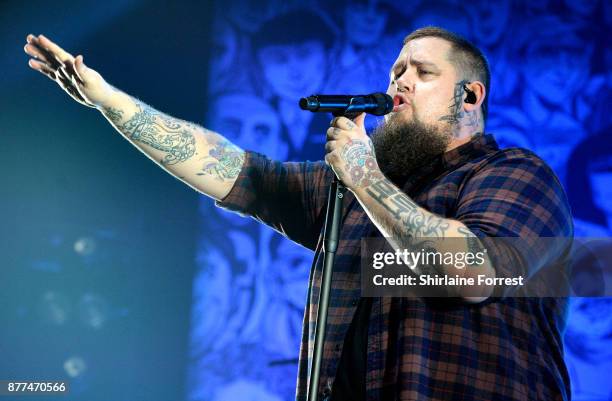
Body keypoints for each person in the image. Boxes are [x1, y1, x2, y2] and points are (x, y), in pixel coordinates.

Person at [24, 26, 573, 400]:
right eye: (396, 72)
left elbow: (474, 273)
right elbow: (232, 169)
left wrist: (363, 176)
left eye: (423, 73)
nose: (400, 82)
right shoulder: (347, 195)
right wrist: (108, 100)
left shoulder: (515, 175)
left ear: (470, 97)